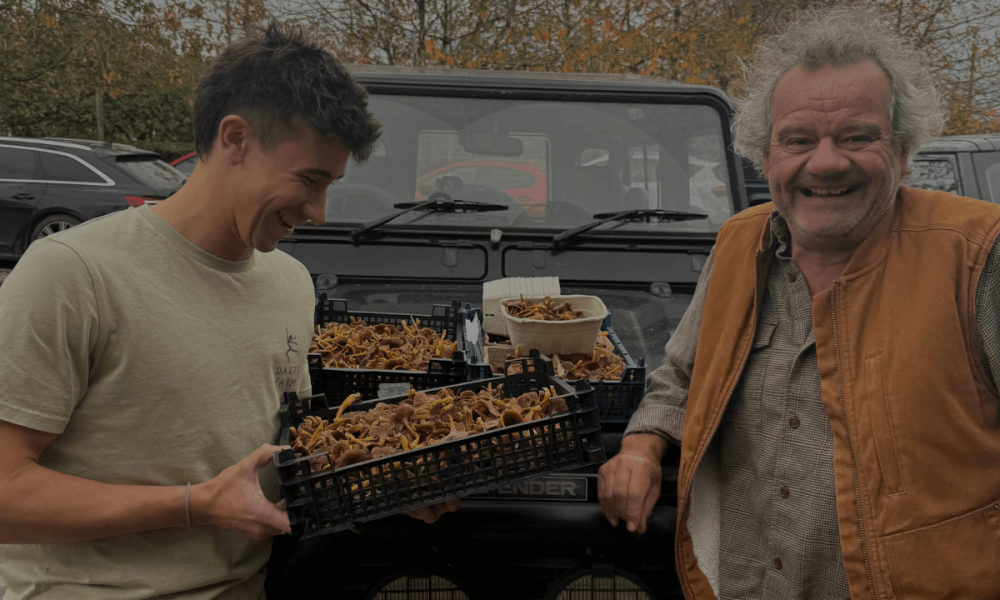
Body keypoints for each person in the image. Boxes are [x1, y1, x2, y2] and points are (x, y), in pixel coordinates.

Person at [598, 6, 1000, 600]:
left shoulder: (978, 254)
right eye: (799, 140)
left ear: (905, 149)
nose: (828, 161)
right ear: (767, 157)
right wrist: (639, 446)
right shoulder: (741, 242)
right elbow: (682, 375)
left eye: (859, 136)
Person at [0, 22, 380, 599]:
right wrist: (194, 506)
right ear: (235, 139)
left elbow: (274, 459)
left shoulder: (290, 283)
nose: (320, 211)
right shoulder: (73, 271)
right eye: (309, 180)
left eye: (329, 184)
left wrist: (390, 476)